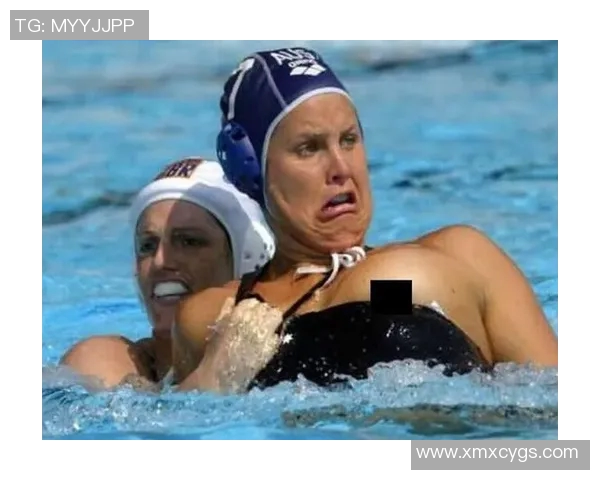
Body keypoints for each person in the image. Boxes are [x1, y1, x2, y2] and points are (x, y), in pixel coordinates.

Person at [171, 47, 558, 394]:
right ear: (250, 169)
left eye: (349, 140)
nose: (341, 168)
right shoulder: (215, 318)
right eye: (309, 148)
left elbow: (559, 402)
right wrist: (214, 376)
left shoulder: (462, 255)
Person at [59, 157, 275, 390]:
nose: (160, 261)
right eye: (148, 245)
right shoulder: (102, 361)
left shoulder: (288, 359)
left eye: (189, 241)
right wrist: (214, 373)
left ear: (247, 263)